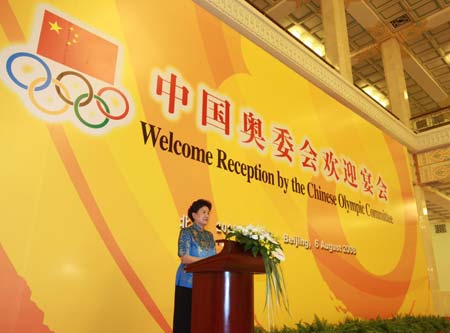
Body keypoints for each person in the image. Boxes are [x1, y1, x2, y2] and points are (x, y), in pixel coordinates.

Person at [173, 199, 216, 333]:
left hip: (206, 284)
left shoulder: (210, 236)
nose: (207, 215)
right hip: (187, 283)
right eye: (203, 212)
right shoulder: (186, 232)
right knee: (185, 322)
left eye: (208, 213)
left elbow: (215, 258)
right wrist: (205, 261)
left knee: (202, 322)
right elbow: (184, 257)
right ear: (194, 215)